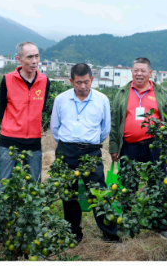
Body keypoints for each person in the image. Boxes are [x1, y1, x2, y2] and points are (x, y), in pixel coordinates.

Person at [50, 63, 118, 243]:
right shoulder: (61, 99)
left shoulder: (102, 99)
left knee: (98, 191)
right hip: (66, 151)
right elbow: (55, 127)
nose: (83, 86)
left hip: (91, 151)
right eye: (78, 82)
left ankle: (110, 233)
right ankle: (73, 233)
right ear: (71, 81)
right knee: (68, 193)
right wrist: (68, 144)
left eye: (86, 82)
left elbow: (105, 129)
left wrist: (91, 143)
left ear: (92, 80)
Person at [109, 57, 167, 238]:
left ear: (150, 73)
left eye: (143, 70)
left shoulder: (160, 93)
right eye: (136, 70)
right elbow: (115, 122)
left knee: (159, 183)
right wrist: (114, 146)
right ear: (131, 71)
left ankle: (160, 224)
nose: (139, 73)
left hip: (155, 145)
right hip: (129, 146)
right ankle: (129, 221)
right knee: (129, 183)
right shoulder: (122, 93)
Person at [0, 41, 50, 190]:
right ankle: (1, 214)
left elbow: (42, 107)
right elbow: (2, 108)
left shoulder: (44, 81)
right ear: (19, 59)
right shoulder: (7, 80)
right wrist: (11, 127)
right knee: (2, 185)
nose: (34, 61)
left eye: (37, 56)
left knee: (33, 188)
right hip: (9, 141)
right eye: (30, 57)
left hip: (33, 141)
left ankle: (30, 214)